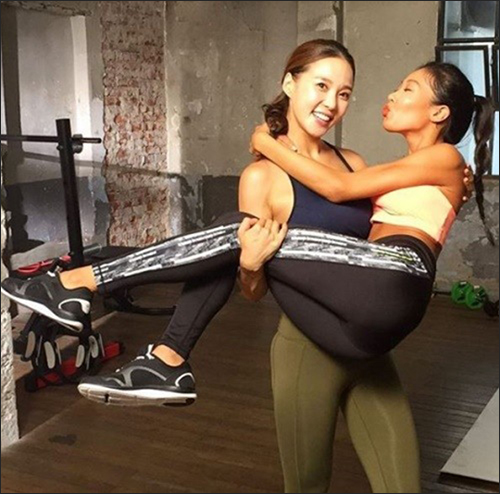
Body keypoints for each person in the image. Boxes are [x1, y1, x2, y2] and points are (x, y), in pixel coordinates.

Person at [1, 43, 485, 409]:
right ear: (290, 84)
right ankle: (161, 355)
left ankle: (84, 283)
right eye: (322, 86)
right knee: (243, 236)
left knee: (238, 228)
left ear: (438, 112)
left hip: (391, 278)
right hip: (350, 324)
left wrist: (266, 141)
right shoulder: (393, 169)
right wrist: (252, 264)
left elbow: (340, 190)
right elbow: (258, 281)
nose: (389, 95)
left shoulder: (409, 160)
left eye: (344, 94)